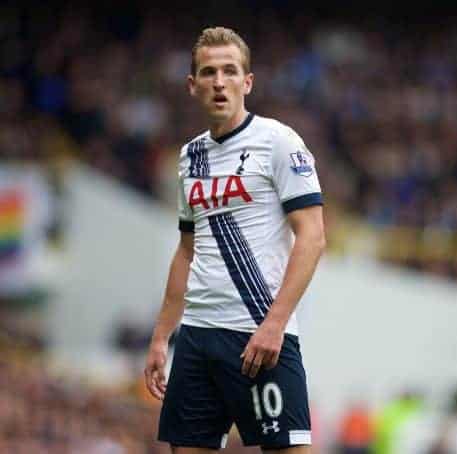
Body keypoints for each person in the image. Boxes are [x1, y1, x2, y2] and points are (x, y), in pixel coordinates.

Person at [143, 27, 326, 454]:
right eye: (208, 72)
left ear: (248, 82)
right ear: (193, 86)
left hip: (257, 334)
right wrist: (160, 337)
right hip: (196, 338)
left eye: (230, 71)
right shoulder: (190, 157)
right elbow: (186, 251)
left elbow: (313, 236)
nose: (219, 82)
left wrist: (275, 323)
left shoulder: (279, 142)